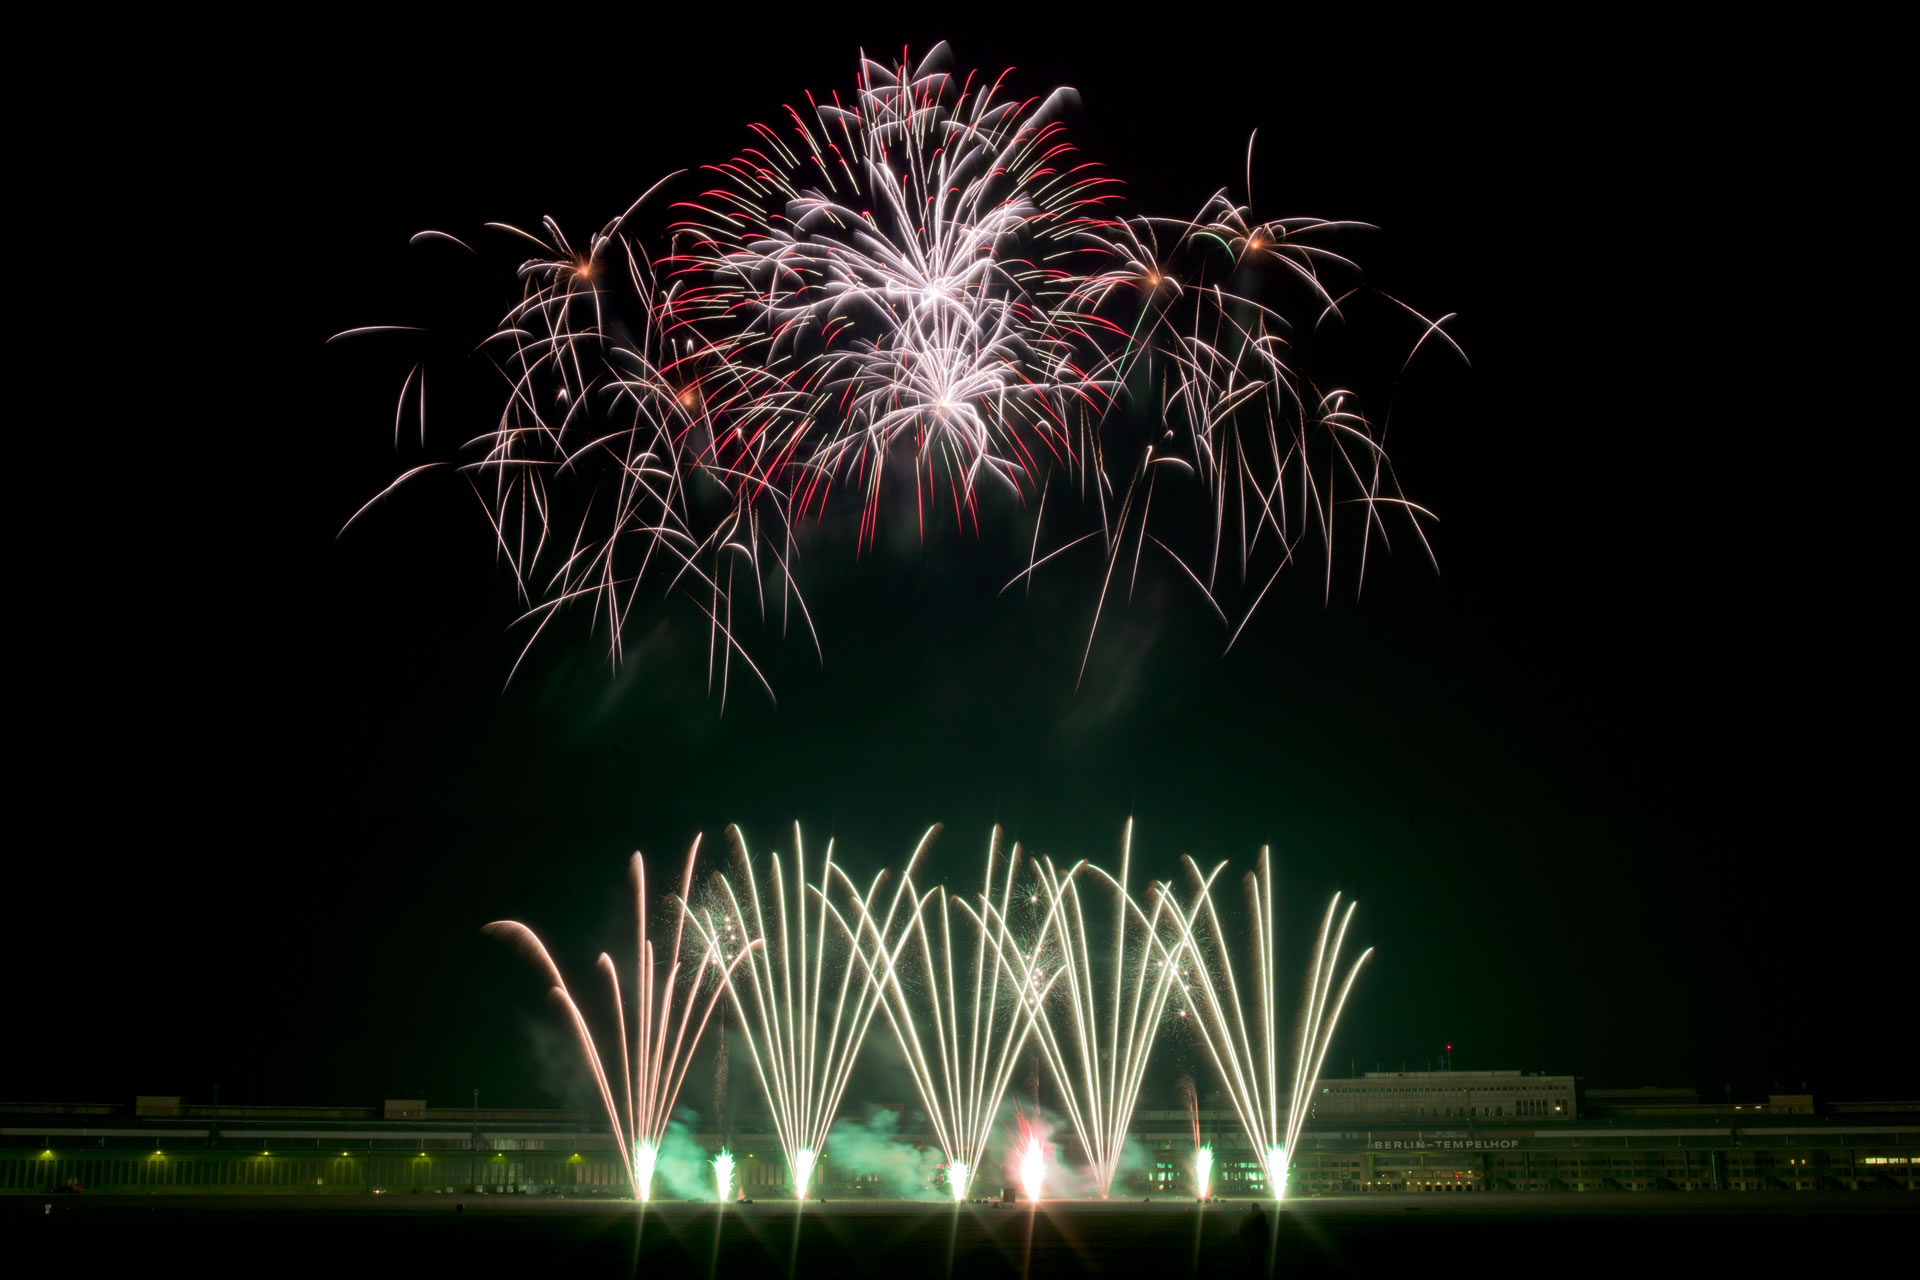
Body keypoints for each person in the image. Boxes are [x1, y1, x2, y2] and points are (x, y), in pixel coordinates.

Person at [1239, 1201, 1270, 1276]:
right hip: (1260, 1245)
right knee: (1260, 1262)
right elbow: (1266, 1232)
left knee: (1252, 1261)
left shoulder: (1247, 1218)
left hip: (1251, 1244)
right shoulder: (1262, 1219)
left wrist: (1245, 1241)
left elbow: (1242, 1231)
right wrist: (1266, 1243)